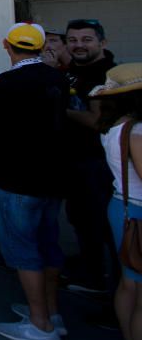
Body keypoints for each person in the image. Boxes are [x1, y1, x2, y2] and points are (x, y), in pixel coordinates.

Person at [0, 23, 68, 340]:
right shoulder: (57, 77)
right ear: (41, 47)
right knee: (48, 243)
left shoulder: (4, 79)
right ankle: (51, 313)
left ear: (6, 46)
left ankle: (40, 326)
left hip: (14, 177)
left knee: (24, 251)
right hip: (52, 177)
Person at [63, 18, 117, 294]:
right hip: (73, 159)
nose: (78, 45)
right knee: (81, 219)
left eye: (86, 40)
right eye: (73, 40)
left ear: (101, 42)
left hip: (97, 163)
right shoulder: (71, 70)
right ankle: (91, 272)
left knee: (103, 225)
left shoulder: (107, 75)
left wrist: (59, 110)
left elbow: (98, 121)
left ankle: (114, 290)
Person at [91, 63, 142, 340]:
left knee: (129, 282)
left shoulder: (115, 127)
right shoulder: (136, 131)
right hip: (137, 211)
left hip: (123, 207)